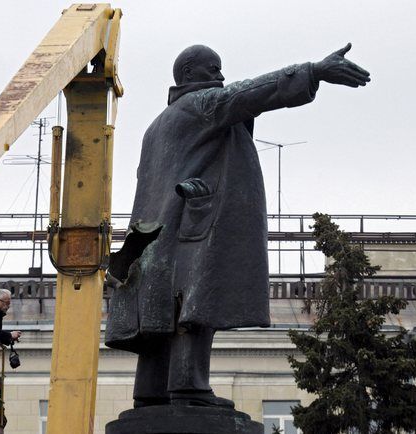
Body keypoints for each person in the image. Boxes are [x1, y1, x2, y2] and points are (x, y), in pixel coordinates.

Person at [105, 43, 370, 408]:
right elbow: (248, 93)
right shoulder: (202, 104)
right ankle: (188, 387)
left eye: (220, 70)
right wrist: (313, 70)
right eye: (212, 69)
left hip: (155, 235)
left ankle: (150, 393)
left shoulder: (156, 126)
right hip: (190, 224)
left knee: (162, 312)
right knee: (193, 307)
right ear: (187, 75)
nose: (220, 77)